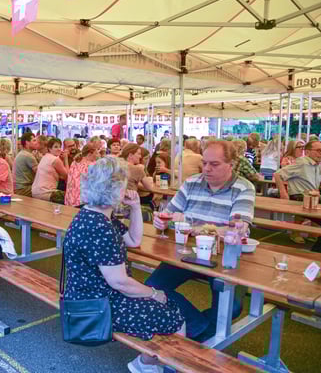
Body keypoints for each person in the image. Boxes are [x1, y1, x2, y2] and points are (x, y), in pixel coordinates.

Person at [63, 157, 185, 373]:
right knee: (174, 316)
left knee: (165, 304)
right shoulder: (101, 227)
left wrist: (136, 207)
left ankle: (151, 363)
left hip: (84, 295)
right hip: (98, 305)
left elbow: (133, 240)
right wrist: (154, 293)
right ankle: (146, 365)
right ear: (117, 189)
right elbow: (120, 283)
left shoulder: (91, 215)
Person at [148, 141, 255, 342]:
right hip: (188, 253)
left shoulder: (243, 187)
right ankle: (199, 330)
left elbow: (236, 229)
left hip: (223, 256)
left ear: (231, 164)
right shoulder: (191, 183)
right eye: (204, 163)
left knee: (232, 307)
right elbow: (169, 213)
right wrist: (161, 221)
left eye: (214, 164)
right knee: (152, 287)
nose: (206, 168)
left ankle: (193, 332)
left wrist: (192, 225)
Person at [275, 141, 321, 247]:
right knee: (310, 204)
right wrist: (283, 193)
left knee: (315, 201)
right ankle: (296, 233)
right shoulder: (302, 163)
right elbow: (278, 175)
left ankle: (312, 233)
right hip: (299, 195)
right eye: (319, 150)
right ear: (308, 152)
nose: (320, 153)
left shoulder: (317, 164)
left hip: (311, 196)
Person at [32, 138, 68, 204]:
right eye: (56, 147)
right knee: (71, 197)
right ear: (50, 149)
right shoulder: (55, 160)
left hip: (35, 191)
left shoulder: (45, 157)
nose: (59, 149)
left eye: (60, 147)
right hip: (46, 193)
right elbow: (67, 176)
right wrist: (66, 159)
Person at [14, 132, 40, 197]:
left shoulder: (22, 153)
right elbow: (40, 173)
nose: (36, 143)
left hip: (19, 188)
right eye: (34, 140)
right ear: (27, 142)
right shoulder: (28, 156)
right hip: (24, 189)